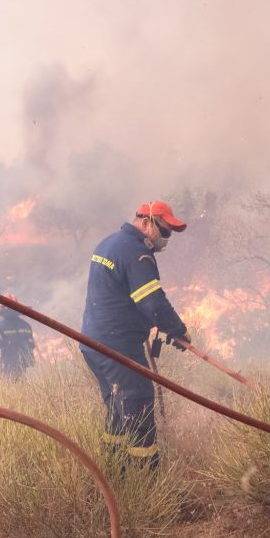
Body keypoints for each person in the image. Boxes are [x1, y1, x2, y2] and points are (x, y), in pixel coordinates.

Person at [80, 200, 190, 468]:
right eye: (164, 232)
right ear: (145, 222)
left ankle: (114, 474)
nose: (166, 239)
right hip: (117, 346)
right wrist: (178, 331)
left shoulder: (108, 243)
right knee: (138, 405)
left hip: (93, 343)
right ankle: (145, 481)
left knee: (118, 409)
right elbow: (152, 302)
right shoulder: (136, 253)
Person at [0, 295, 36, 379]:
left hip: (8, 361)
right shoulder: (27, 325)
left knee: (0, 384)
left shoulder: (1, 325)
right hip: (22, 363)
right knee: (19, 383)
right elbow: (31, 345)